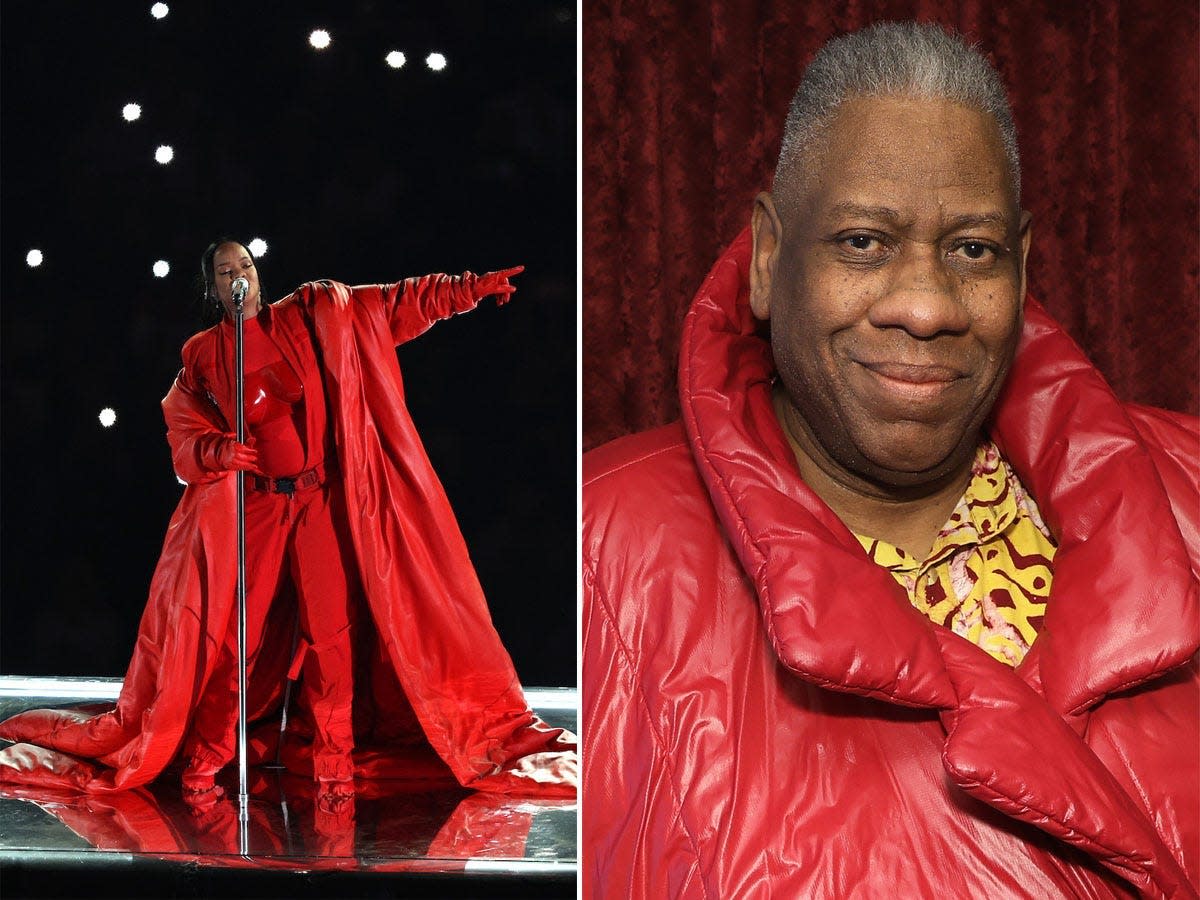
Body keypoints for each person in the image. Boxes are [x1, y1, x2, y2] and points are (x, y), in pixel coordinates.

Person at [582, 22, 1197, 899]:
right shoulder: (601, 551)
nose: (924, 306)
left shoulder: (1188, 492)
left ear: (1022, 266)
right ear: (767, 256)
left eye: (972, 250)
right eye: (864, 242)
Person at [1, 240, 576, 801]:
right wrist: (219, 453)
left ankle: (333, 762)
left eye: (244, 265)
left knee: (333, 633)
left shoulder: (310, 316)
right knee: (235, 637)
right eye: (225, 271)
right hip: (260, 508)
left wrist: (468, 289)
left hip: (320, 501)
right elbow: (185, 432)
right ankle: (207, 756)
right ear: (212, 287)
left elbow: (393, 305)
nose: (238, 276)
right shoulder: (202, 355)